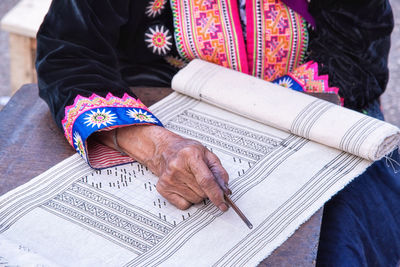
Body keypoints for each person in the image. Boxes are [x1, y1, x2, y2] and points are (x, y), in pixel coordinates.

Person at [36, 0, 400, 265]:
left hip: (317, 119)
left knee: (335, 248)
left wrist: (277, 114)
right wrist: (156, 146)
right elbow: (70, 52)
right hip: (157, 127)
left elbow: (358, 49)